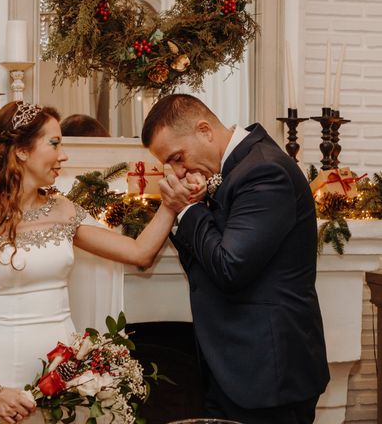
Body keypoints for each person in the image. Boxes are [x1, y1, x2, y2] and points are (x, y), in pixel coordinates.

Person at [0, 101, 199, 424]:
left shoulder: (63, 211)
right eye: (54, 143)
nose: (63, 155)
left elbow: (139, 253)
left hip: (64, 380)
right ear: (22, 151)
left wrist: (171, 205)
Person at [141, 94, 330, 424]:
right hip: (236, 368)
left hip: (269, 375)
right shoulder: (238, 168)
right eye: (170, 164)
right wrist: (192, 208)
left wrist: (187, 209)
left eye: (177, 157)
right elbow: (203, 268)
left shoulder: (264, 171)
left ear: (204, 130)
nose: (178, 170)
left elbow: (230, 267)